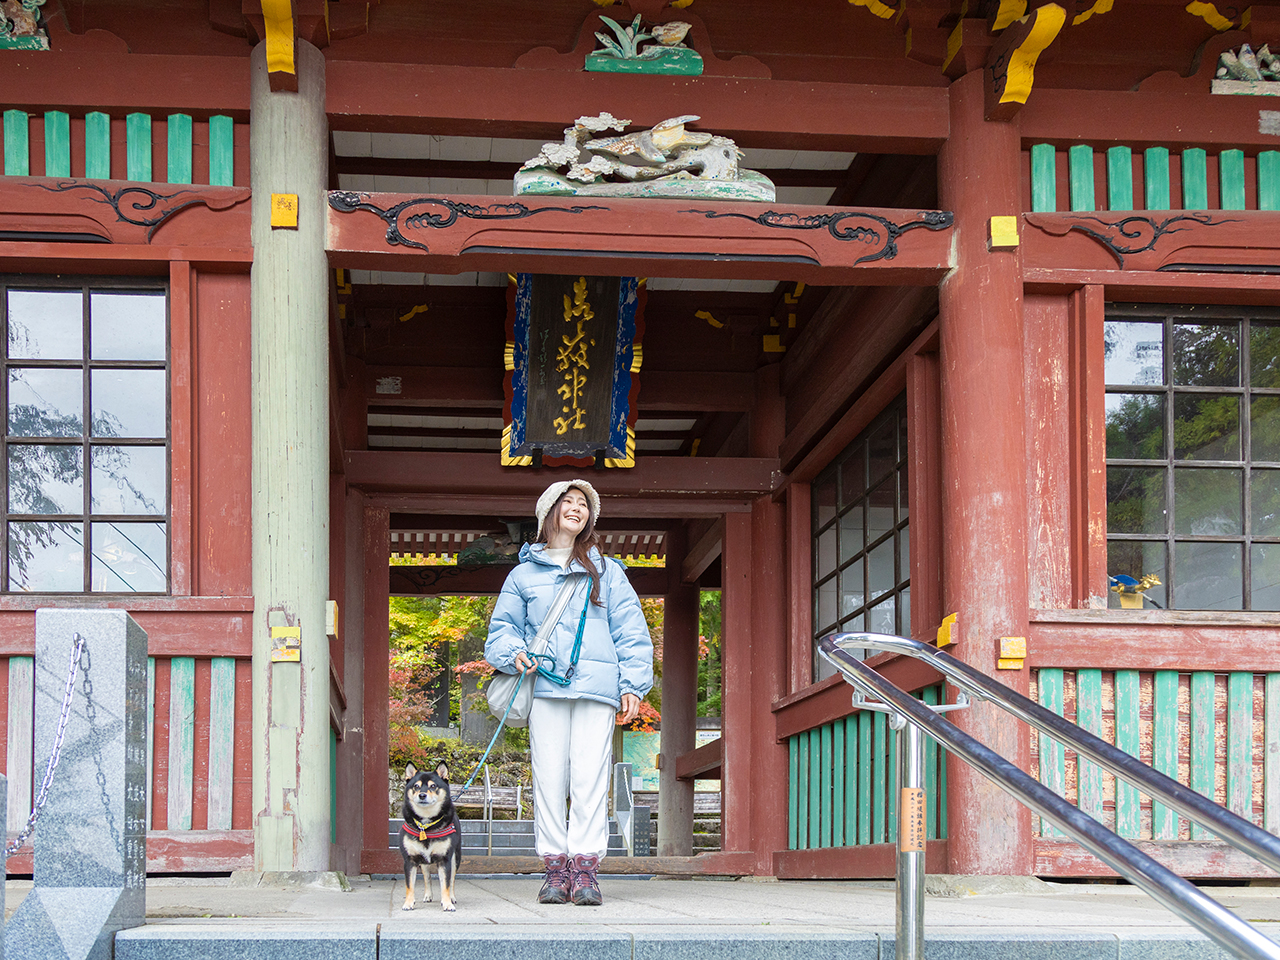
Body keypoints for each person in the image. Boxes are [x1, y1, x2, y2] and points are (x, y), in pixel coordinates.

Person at [484, 479, 653, 906]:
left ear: (589, 519)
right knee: (548, 776)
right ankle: (555, 870)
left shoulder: (607, 571)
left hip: (597, 689)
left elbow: (630, 630)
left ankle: (585, 870)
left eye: (584, 504)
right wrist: (514, 653)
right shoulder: (522, 574)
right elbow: (501, 633)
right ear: (549, 512)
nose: (577, 508)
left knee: (590, 778)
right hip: (544, 688)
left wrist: (633, 684)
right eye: (569, 501)